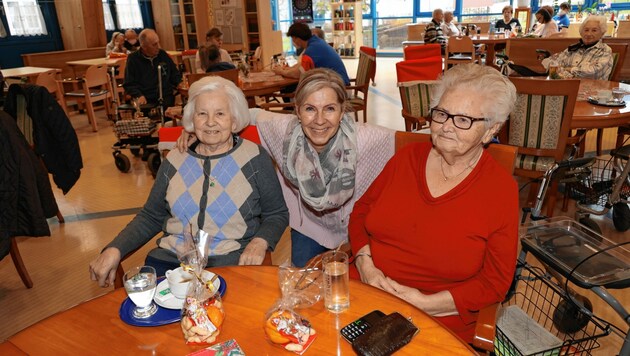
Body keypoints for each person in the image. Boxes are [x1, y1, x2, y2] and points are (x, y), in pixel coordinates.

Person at [348, 63, 518, 344]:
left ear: (491, 130)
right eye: (442, 114)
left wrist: (428, 304)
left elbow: (495, 281)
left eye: (464, 120)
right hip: (366, 291)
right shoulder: (407, 158)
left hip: (436, 318)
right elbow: (361, 212)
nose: (447, 127)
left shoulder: (500, 190)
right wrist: (366, 264)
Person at [177, 68, 394, 267]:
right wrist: (196, 127)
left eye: (329, 109)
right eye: (310, 109)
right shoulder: (284, 132)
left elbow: (408, 142)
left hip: (351, 228)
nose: (319, 120)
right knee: (302, 286)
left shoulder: (364, 138)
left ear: (342, 111)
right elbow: (246, 114)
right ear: (297, 111)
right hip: (308, 225)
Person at [89, 76, 289, 286]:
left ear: (235, 119)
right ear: (192, 120)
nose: (210, 122)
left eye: (220, 113)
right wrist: (114, 248)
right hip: (171, 264)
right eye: (202, 114)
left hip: (229, 261)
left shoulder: (255, 159)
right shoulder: (175, 159)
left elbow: (276, 213)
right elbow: (151, 215)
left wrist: (260, 241)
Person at [273, 22, 350, 85]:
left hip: (339, 88)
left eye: (293, 39)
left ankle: (292, 103)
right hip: (339, 83)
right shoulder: (316, 42)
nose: (293, 42)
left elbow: (299, 74)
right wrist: (289, 69)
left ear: (297, 38)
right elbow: (302, 65)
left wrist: (281, 72)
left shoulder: (311, 51)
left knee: (290, 88)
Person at [123, 29, 182, 108]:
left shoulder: (162, 54)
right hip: (146, 98)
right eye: (154, 44)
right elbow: (128, 83)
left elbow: (174, 74)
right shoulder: (133, 59)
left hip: (166, 96)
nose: (158, 46)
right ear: (144, 46)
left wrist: (179, 83)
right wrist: (138, 95)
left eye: (158, 42)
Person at [542, 15, 613, 80]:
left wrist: (568, 69)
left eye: (594, 30)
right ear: (581, 32)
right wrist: (562, 69)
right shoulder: (573, 48)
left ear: (602, 33)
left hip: (593, 90)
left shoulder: (605, 50)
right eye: (586, 30)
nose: (589, 34)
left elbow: (591, 72)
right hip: (567, 88)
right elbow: (552, 63)